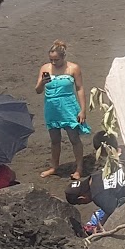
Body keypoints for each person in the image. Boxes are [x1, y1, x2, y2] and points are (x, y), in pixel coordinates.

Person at [37, 41, 88, 180]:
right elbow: (38, 90)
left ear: (63, 57)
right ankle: (54, 166)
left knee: (74, 138)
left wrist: (83, 110)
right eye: (51, 60)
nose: (53, 63)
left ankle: (79, 168)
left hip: (68, 106)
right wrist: (42, 82)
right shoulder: (45, 68)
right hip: (51, 107)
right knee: (54, 140)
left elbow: (80, 89)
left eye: (56, 60)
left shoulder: (73, 68)